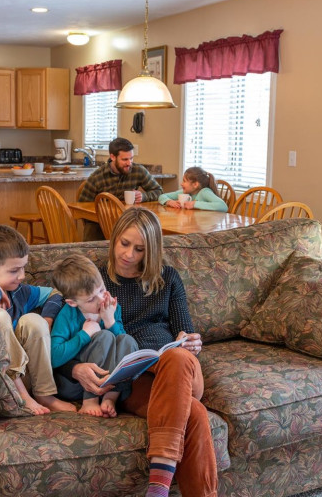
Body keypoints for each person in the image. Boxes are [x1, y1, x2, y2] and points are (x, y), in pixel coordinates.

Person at [58, 208, 217, 497]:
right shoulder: (93, 280)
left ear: (152, 250)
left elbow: (185, 330)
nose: (129, 254)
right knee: (192, 414)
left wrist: (190, 341)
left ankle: (157, 487)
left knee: (179, 357)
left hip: (177, 369)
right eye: (124, 243)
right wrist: (74, 369)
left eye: (139, 249)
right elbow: (59, 331)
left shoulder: (168, 278)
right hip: (131, 379)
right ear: (114, 239)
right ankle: (164, 489)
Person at [0, 224, 76, 415]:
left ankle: (44, 394)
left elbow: (56, 293)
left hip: (27, 376)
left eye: (23, 268)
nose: (22, 276)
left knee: (34, 320)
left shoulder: (20, 292)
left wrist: (47, 320)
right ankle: (22, 396)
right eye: (14, 270)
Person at [49, 254, 138, 417]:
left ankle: (110, 398)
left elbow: (122, 346)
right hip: (74, 385)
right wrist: (84, 335)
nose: (100, 300)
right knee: (103, 336)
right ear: (72, 302)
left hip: (110, 383)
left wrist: (110, 321)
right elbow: (53, 357)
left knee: (127, 340)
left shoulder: (111, 307)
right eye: (91, 299)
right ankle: (90, 401)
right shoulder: (67, 316)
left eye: (102, 290)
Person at [79, 137, 164, 240]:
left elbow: (159, 191)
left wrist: (143, 196)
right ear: (113, 157)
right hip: (100, 225)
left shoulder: (138, 171)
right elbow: (82, 206)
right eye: (125, 159)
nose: (129, 163)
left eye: (131, 158)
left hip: (130, 222)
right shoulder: (97, 178)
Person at [158, 166, 228, 212]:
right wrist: (169, 202)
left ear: (195, 184)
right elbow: (162, 196)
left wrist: (195, 204)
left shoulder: (204, 192)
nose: (181, 184)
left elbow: (223, 206)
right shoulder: (184, 193)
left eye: (184, 181)